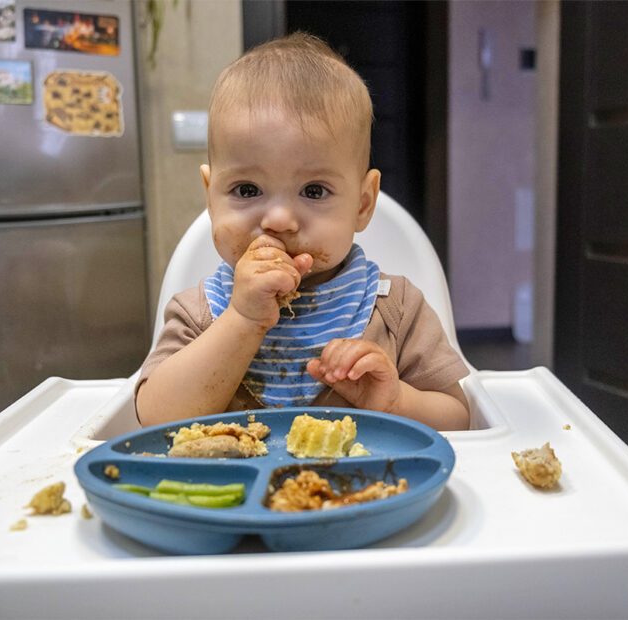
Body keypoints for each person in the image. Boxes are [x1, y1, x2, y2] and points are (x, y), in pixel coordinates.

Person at [135, 33, 470, 431]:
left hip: (364, 491)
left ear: (363, 205)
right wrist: (241, 319)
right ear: (211, 199)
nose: (278, 220)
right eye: (247, 190)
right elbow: (154, 419)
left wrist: (396, 400)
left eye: (314, 191)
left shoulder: (394, 309)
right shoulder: (201, 312)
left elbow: (459, 419)